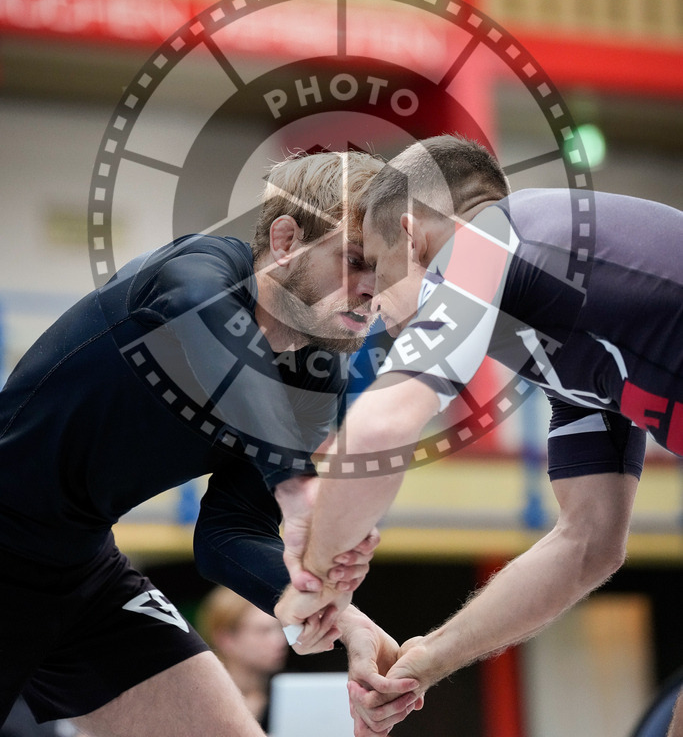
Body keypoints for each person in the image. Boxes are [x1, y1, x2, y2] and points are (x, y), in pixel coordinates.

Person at [280, 134, 683, 737]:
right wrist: (428, 660)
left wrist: (314, 582)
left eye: (375, 265)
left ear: (413, 234)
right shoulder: (557, 325)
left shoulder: (488, 239)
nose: (370, 301)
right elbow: (588, 542)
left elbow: (378, 430)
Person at [0, 149, 406, 737]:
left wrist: (340, 616)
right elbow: (203, 321)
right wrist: (296, 485)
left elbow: (229, 533)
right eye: (355, 261)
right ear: (287, 238)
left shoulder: (317, 378)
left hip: (78, 569)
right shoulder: (201, 269)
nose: (375, 291)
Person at [195, 586, 288, 731]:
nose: (280, 641)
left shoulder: (288, 699)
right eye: (263, 631)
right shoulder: (198, 703)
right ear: (226, 639)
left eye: (279, 629)